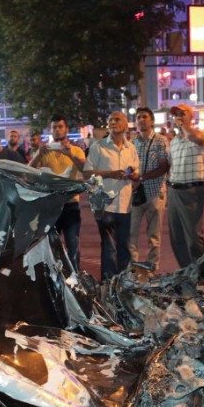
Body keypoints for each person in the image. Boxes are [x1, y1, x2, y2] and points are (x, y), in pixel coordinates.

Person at [84, 111, 140, 280]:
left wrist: (134, 176)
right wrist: (110, 173)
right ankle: (108, 284)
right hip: (106, 205)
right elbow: (87, 174)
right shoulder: (98, 146)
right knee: (109, 248)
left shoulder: (131, 148)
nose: (113, 122)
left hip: (125, 205)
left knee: (124, 247)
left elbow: (137, 173)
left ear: (125, 125)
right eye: (110, 120)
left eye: (117, 119)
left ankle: (123, 283)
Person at [31, 114, 87, 269]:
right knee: (50, 247)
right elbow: (29, 171)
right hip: (50, 205)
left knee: (72, 245)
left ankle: (75, 279)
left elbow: (85, 170)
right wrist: (38, 154)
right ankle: (53, 279)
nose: (57, 130)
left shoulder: (76, 150)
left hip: (70, 205)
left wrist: (71, 154)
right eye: (54, 127)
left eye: (60, 127)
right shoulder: (45, 151)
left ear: (66, 129)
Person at [166, 103, 204, 272]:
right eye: (176, 114)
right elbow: (171, 165)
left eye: (182, 113)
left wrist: (184, 126)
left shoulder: (201, 135)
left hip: (192, 191)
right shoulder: (174, 142)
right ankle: (187, 271)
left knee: (193, 237)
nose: (178, 116)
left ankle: (203, 273)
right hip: (174, 190)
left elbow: (197, 139)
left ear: (191, 117)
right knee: (176, 237)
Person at [129, 107, 170, 269]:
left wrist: (141, 177)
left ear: (152, 121)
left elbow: (163, 167)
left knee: (154, 235)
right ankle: (132, 267)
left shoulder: (161, 141)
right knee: (131, 234)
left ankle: (152, 267)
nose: (141, 120)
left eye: (145, 117)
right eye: (138, 117)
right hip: (135, 194)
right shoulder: (131, 143)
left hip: (155, 193)